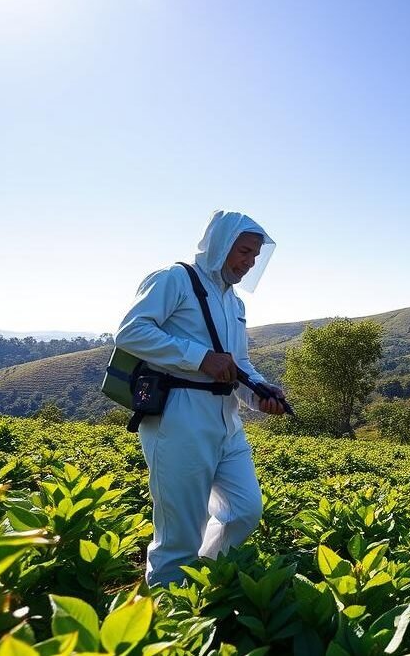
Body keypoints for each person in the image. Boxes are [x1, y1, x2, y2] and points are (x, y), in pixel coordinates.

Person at [114, 210, 286, 587]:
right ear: (221, 245)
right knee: (178, 535)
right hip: (179, 416)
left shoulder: (235, 302)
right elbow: (130, 332)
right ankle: (167, 616)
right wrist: (200, 358)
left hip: (225, 419)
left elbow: (238, 365)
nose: (249, 262)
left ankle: (201, 578)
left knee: (244, 510)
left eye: (254, 256)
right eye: (243, 251)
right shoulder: (175, 280)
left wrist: (262, 394)